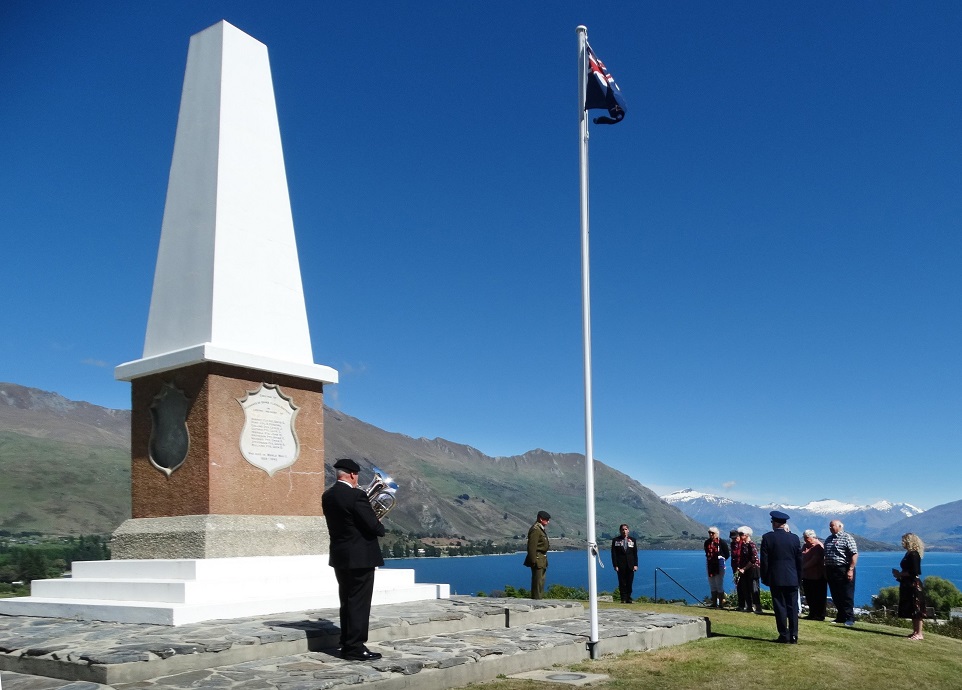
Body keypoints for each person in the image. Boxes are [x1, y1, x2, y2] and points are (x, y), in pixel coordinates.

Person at [321, 458, 386, 661]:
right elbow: (374, 528)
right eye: (357, 476)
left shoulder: (328, 495)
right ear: (352, 474)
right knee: (359, 603)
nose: (358, 479)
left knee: (347, 601)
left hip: (340, 556)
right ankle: (355, 647)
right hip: (360, 558)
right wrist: (378, 520)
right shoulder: (356, 495)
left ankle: (347, 643)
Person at [760, 511, 803, 644]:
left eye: (772, 522)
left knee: (780, 607)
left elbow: (764, 561)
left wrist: (765, 577)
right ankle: (794, 635)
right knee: (793, 607)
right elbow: (799, 560)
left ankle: (784, 635)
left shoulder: (767, 538)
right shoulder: (795, 538)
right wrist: (799, 578)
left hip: (776, 578)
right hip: (792, 578)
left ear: (775, 523)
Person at [892, 533, 926, 641]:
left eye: (904, 540)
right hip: (907, 584)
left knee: (917, 609)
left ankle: (919, 633)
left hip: (913, 585)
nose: (902, 543)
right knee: (912, 609)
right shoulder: (908, 554)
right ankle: (915, 631)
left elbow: (915, 571)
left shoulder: (914, 554)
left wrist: (900, 574)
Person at [824, 519, 858, 626]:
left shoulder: (847, 537)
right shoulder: (828, 539)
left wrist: (851, 569)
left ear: (840, 526)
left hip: (844, 569)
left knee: (846, 594)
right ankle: (841, 616)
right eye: (829, 526)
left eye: (832, 526)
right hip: (831, 569)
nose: (830, 528)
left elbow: (854, 554)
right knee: (836, 594)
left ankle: (850, 618)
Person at [733, 526, 763, 614]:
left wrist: (744, 568)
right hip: (744, 570)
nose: (740, 536)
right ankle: (749, 606)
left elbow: (753, 559)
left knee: (754, 589)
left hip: (752, 569)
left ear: (747, 535)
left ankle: (758, 607)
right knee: (745, 588)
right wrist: (739, 567)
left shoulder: (751, 544)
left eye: (741, 534)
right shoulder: (742, 545)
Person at [800, 529, 827, 621]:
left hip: (817, 575)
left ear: (813, 537)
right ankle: (812, 613)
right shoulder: (805, 546)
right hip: (807, 576)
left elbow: (815, 560)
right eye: (804, 538)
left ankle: (819, 615)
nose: (805, 540)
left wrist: (802, 567)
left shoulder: (818, 546)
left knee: (818, 596)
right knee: (809, 595)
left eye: (807, 538)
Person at [524, 510, 550, 599]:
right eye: (546, 519)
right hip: (537, 559)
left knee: (541, 582)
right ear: (540, 519)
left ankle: (539, 599)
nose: (548, 521)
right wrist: (533, 560)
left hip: (541, 559)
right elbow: (532, 546)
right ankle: (536, 601)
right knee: (537, 583)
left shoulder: (540, 529)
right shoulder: (536, 529)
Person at [611, 524, 639, 603]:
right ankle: (623, 598)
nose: (624, 531)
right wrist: (615, 565)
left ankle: (628, 598)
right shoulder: (615, 540)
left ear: (628, 530)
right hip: (620, 565)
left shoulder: (633, 540)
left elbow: (635, 554)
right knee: (622, 582)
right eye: (623, 529)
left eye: (626, 529)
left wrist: (635, 564)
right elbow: (614, 554)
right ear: (620, 531)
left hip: (630, 565)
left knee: (629, 582)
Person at [704, 527, 730, 608]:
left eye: (712, 533)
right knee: (712, 583)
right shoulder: (707, 542)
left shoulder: (722, 542)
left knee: (719, 583)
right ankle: (714, 602)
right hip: (710, 565)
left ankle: (721, 603)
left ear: (717, 534)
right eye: (709, 533)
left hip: (719, 565)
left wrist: (721, 559)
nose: (711, 534)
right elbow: (706, 552)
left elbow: (727, 554)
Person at [729, 529, 743, 610]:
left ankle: (748, 604)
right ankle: (740, 605)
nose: (734, 540)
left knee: (744, 586)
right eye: (732, 538)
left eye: (735, 538)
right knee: (738, 586)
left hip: (742, 568)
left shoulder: (743, 544)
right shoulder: (733, 545)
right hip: (735, 568)